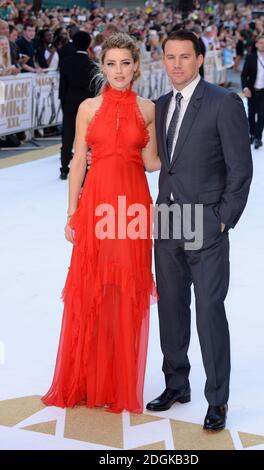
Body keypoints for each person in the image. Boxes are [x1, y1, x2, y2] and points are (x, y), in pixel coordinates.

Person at [42, 32, 160, 414]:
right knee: (91, 288)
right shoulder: (88, 108)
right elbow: (78, 161)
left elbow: (152, 161)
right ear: (102, 66)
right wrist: (71, 211)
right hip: (95, 207)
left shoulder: (147, 109)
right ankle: (88, 378)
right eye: (111, 63)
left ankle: (118, 380)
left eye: (126, 63)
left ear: (136, 66)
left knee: (126, 291)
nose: (119, 71)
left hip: (133, 209)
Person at [146, 30, 253, 432]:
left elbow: (241, 169)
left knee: (209, 312)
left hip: (207, 223)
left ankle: (217, 399)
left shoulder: (224, 103)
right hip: (168, 221)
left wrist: (223, 218)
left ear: (200, 59)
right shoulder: (159, 105)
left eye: (184, 57)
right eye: (170, 57)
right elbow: (163, 163)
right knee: (172, 308)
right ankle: (176, 385)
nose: (176, 64)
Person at [58, 31, 96, 180]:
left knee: (67, 136)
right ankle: (87, 167)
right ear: (89, 44)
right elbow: (94, 89)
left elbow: (62, 88)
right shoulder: (92, 65)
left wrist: (64, 104)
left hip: (69, 104)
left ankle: (64, 168)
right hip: (87, 106)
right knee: (87, 137)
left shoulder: (65, 62)